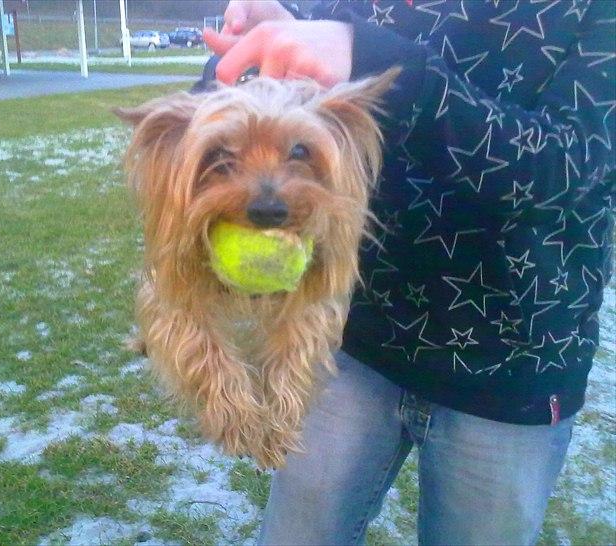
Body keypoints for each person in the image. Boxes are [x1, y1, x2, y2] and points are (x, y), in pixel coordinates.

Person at [203, 1, 615, 545]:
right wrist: (283, 34)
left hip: (511, 369)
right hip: (352, 340)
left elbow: (571, 169)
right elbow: (300, 85)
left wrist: (379, 62)